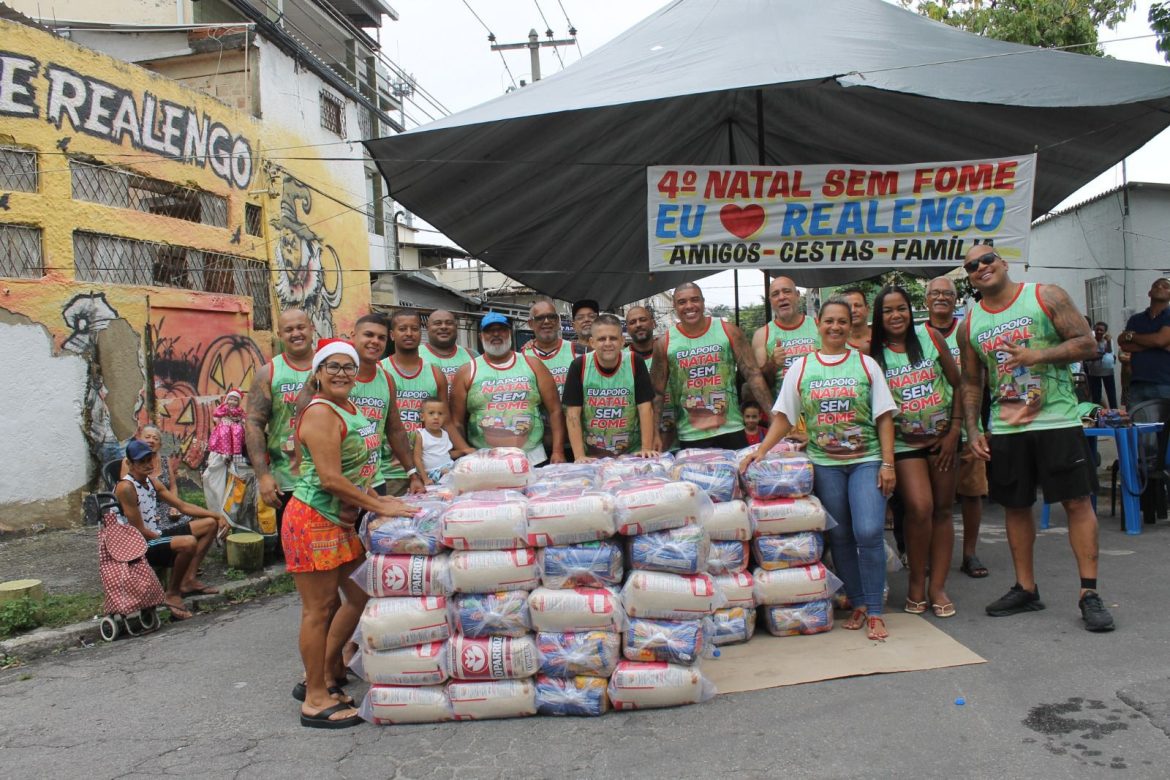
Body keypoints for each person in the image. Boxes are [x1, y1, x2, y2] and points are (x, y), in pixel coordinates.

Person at [958, 246, 1114, 631]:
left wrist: (1036, 357)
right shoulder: (970, 322)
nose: (981, 267)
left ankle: (1089, 593)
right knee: (1015, 505)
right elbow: (972, 380)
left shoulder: (1046, 295)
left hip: (1056, 419)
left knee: (1077, 502)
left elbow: (1088, 346)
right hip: (1008, 427)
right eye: (971, 266)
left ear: (1003, 262)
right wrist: (974, 430)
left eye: (987, 259)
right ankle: (1026, 589)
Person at [740, 296, 897, 641]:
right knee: (839, 535)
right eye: (830, 321)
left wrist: (888, 463)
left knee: (869, 532)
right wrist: (761, 452)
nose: (836, 327)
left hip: (865, 460)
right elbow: (784, 417)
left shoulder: (866, 365)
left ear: (849, 324)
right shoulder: (802, 367)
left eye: (843, 321)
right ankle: (857, 603)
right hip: (825, 464)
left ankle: (874, 609)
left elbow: (884, 417)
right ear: (819, 324)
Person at [285, 340, 419, 728]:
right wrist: (381, 506)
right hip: (312, 519)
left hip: (340, 521)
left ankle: (327, 672)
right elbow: (329, 478)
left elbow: (360, 469)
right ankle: (313, 698)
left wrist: (376, 501)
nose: (341, 373)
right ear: (318, 372)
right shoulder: (321, 412)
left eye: (348, 367)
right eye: (333, 366)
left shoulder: (350, 408)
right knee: (318, 609)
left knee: (359, 594)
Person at [870, 285, 962, 618]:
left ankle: (937, 587)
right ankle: (915, 584)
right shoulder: (874, 354)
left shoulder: (931, 338)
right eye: (888, 311)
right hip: (905, 445)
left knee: (942, 511)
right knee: (920, 508)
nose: (896, 316)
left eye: (902, 309)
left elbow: (958, 382)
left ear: (911, 311)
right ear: (879, 318)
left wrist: (955, 430)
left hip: (944, 442)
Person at [115, 439, 229, 620]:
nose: (147, 465)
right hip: (142, 542)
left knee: (209, 524)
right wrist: (169, 541)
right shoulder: (126, 487)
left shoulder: (152, 482)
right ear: (130, 464)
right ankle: (172, 593)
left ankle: (188, 580)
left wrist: (217, 515)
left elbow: (183, 506)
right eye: (141, 462)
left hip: (156, 534)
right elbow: (138, 530)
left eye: (149, 460)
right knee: (188, 542)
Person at [650, 282, 773, 450]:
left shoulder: (728, 331)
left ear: (703, 301)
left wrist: (773, 415)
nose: (689, 306)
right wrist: (654, 433)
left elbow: (753, 375)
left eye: (694, 300)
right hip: (691, 434)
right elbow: (657, 393)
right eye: (682, 302)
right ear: (674, 306)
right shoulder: (664, 343)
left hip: (732, 429)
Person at [924, 275, 989, 579]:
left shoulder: (969, 329)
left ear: (955, 299)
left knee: (972, 493)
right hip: (933, 432)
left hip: (969, 427)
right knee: (937, 501)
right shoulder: (917, 334)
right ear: (926, 300)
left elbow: (982, 376)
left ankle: (970, 553)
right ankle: (932, 556)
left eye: (947, 293)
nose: (941, 298)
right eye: (935, 293)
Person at [451, 313, 566, 466]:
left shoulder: (533, 365)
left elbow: (555, 410)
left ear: (509, 333)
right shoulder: (467, 371)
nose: (496, 334)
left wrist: (558, 451)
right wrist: (464, 454)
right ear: (481, 336)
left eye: (501, 329)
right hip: (485, 461)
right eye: (489, 331)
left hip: (533, 459)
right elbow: (456, 422)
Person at [381, 310, 468, 494]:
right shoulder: (381, 370)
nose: (409, 333)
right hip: (390, 472)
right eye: (402, 329)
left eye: (414, 328)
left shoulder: (435, 374)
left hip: (430, 471)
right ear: (392, 335)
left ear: (421, 333)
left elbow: (447, 421)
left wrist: (467, 450)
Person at [246, 308, 316, 520]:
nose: (296, 333)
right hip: (288, 480)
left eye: (301, 327)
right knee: (293, 548)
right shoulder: (269, 373)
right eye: (289, 329)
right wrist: (263, 475)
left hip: (333, 476)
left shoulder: (331, 366)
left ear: (312, 329)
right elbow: (254, 424)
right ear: (280, 334)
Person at [561, 313, 659, 460]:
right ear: (592, 342)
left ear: (622, 341)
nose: (608, 343)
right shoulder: (579, 365)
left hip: (632, 452)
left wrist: (646, 448)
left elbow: (645, 409)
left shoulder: (635, 362)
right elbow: (572, 415)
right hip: (593, 455)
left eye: (613, 338)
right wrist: (579, 456)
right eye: (601, 339)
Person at [754, 275, 820, 390]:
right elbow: (759, 385)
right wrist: (773, 363)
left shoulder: (819, 326)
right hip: (783, 406)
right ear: (770, 301)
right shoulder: (762, 335)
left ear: (798, 295)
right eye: (775, 294)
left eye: (787, 291)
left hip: (816, 403)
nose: (781, 297)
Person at [1117, 278, 1170, 405]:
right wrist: (1158, 344)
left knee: (1164, 423)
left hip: (1165, 383)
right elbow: (1123, 343)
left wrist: (1132, 336)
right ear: (1149, 293)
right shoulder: (1136, 319)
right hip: (1137, 383)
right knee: (1137, 423)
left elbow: (1160, 340)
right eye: (1156, 285)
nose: (1160, 287)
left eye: (1166, 286)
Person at [413, 397, 474, 483]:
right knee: (449, 474)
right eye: (431, 413)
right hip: (433, 472)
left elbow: (446, 454)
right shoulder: (421, 435)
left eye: (440, 414)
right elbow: (417, 459)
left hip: (449, 467)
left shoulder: (445, 433)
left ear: (444, 417)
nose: (436, 417)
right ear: (422, 417)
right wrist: (425, 478)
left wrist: (464, 451)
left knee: (466, 467)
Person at [420, 309, 476, 395]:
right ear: (427, 328)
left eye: (449, 323)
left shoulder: (472, 355)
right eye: (437, 323)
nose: (443, 327)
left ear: (456, 327)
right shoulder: (415, 355)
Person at [1085, 321, 1118, 409]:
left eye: (1101, 330)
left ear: (1105, 331)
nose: (1099, 331)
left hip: (1108, 372)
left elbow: (1111, 353)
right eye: (1097, 329)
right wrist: (1103, 354)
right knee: (1096, 397)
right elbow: (1088, 357)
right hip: (1094, 373)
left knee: (1111, 396)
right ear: (1094, 330)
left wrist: (1108, 343)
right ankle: (1097, 415)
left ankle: (1114, 414)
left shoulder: (1108, 341)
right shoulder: (1091, 341)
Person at [208, 390, 246, 462]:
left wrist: (242, 419)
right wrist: (224, 413)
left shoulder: (239, 409)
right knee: (225, 432)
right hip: (225, 423)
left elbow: (243, 415)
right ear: (227, 399)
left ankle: (236, 452)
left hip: (234, 424)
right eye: (231, 399)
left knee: (238, 431)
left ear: (238, 402)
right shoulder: (224, 407)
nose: (232, 402)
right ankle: (226, 452)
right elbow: (216, 413)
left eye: (235, 400)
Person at [841, 287, 872, 352]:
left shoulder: (882, 337)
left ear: (867, 309)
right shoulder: (837, 343)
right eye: (848, 307)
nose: (853, 310)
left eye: (857, 305)